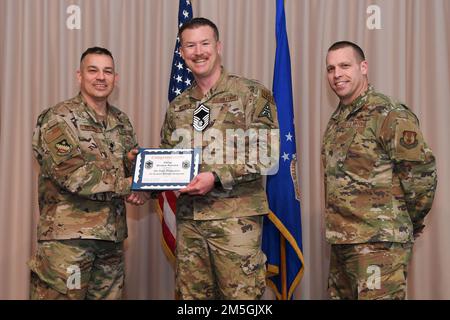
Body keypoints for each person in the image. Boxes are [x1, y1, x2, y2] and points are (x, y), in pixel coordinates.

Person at [159, 17, 279, 299]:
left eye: (204, 43)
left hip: (236, 224)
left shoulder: (251, 93)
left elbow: (268, 155)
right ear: (182, 53)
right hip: (189, 226)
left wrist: (216, 177)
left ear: (218, 46)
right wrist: (145, 176)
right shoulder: (178, 107)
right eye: (190, 45)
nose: (198, 51)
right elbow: (168, 158)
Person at [322, 41, 437, 299]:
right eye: (330, 68)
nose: (337, 74)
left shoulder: (388, 113)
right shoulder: (337, 120)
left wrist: (408, 222)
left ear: (363, 67)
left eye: (344, 65)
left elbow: (421, 174)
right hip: (342, 244)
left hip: (379, 245)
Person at [30, 46, 147, 299]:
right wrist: (131, 184)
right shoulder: (58, 118)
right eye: (93, 70)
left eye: (107, 71)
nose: (101, 77)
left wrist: (144, 179)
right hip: (68, 243)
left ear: (116, 79)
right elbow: (74, 176)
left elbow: (127, 170)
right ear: (79, 76)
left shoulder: (121, 121)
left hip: (111, 241)